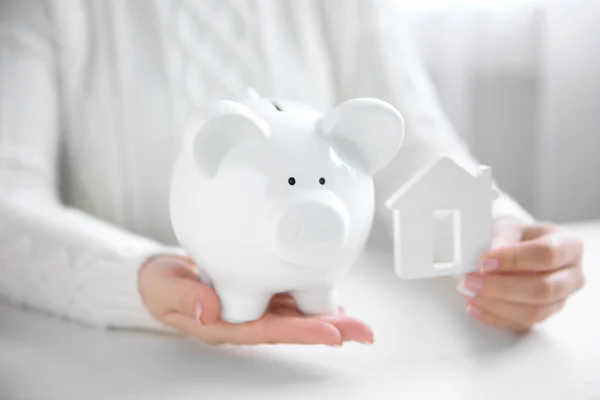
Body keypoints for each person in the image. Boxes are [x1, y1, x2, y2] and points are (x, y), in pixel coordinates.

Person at [0, 0, 584, 346]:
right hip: (104, 368)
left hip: (317, 368)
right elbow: (9, 202)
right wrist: (142, 278)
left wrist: (499, 237)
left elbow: (413, 149)